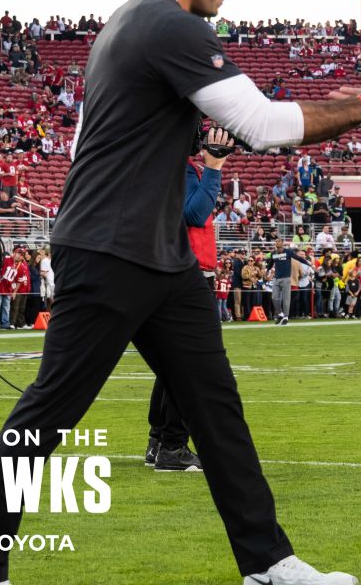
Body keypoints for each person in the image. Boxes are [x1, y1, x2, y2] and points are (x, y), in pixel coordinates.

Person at [0, 0, 361, 585]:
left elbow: (85, 147)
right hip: (111, 249)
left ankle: (268, 562)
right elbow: (262, 125)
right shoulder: (169, 24)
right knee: (47, 411)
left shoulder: (121, 27)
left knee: (215, 406)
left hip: (154, 250)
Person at [145, 126, 236, 474]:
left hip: (175, 270)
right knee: (192, 365)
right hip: (186, 273)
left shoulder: (168, 165)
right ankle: (172, 446)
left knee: (171, 365)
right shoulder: (179, 167)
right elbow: (193, 214)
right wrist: (214, 168)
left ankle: (160, 441)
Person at [269, 238, 311, 325]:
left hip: (286, 278)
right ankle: (280, 314)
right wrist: (266, 271)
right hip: (276, 278)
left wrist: (308, 263)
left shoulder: (288, 252)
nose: (277, 242)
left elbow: (298, 258)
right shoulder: (273, 253)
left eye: (279, 241)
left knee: (286, 299)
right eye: (276, 241)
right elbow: (270, 263)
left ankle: (285, 317)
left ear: (282, 243)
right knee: (274, 297)